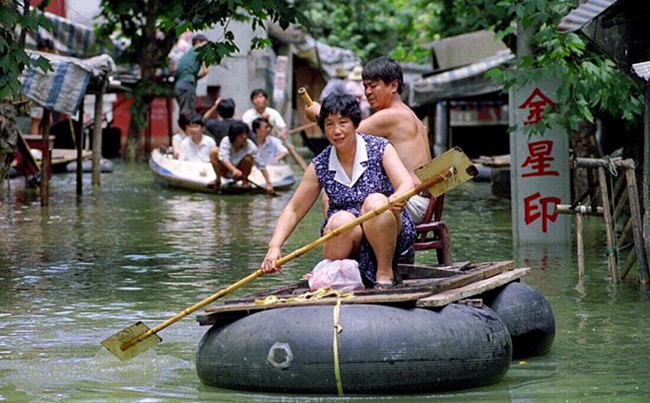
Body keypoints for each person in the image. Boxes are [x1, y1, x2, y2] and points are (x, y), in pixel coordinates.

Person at [261, 94, 415, 288]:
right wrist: (274, 247)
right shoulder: (320, 165)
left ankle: (384, 273)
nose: (336, 131)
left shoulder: (380, 148)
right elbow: (293, 209)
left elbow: (406, 183)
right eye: (329, 124)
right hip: (346, 237)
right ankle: (341, 272)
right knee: (341, 220)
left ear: (355, 124)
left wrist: (398, 197)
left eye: (343, 123)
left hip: (386, 228)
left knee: (376, 202)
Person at [306, 57, 432, 224]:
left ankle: (341, 241)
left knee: (333, 192)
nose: (367, 92)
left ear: (393, 86)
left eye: (373, 86)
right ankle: (340, 240)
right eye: (365, 86)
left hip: (409, 202)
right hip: (418, 200)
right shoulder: (405, 112)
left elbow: (345, 133)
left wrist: (319, 113)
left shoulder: (392, 115)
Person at [214, 120, 273, 193]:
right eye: (241, 135)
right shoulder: (226, 141)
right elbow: (223, 158)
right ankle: (218, 180)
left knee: (248, 159)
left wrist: (268, 183)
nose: (244, 137)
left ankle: (245, 182)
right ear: (234, 136)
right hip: (225, 170)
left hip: (241, 174)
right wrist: (233, 170)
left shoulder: (250, 145)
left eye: (246, 134)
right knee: (214, 152)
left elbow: (261, 164)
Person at [174, 33, 209, 115]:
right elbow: (206, 71)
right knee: (189, 115)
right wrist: (196, 78)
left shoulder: (186, 54)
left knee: (183, 113)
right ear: (199, 43)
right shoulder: (201, 52)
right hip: (188, 85)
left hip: (178, 85)